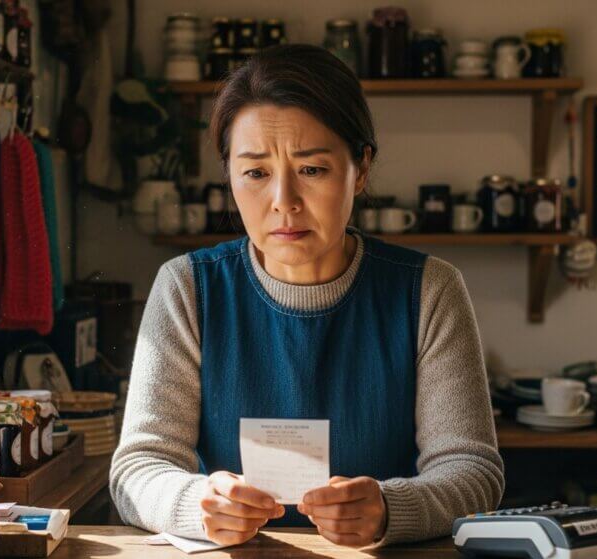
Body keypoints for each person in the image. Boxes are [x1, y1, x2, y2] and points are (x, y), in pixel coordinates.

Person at [109, 44, 503, 548]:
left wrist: (391, 508)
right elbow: (138, 468)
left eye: (312, 170)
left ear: (361, 169)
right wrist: (195, 502)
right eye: (256, 173)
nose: (284, 202)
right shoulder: (187, 287)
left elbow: (473, 471)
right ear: (229, 175)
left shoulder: (428, 290)